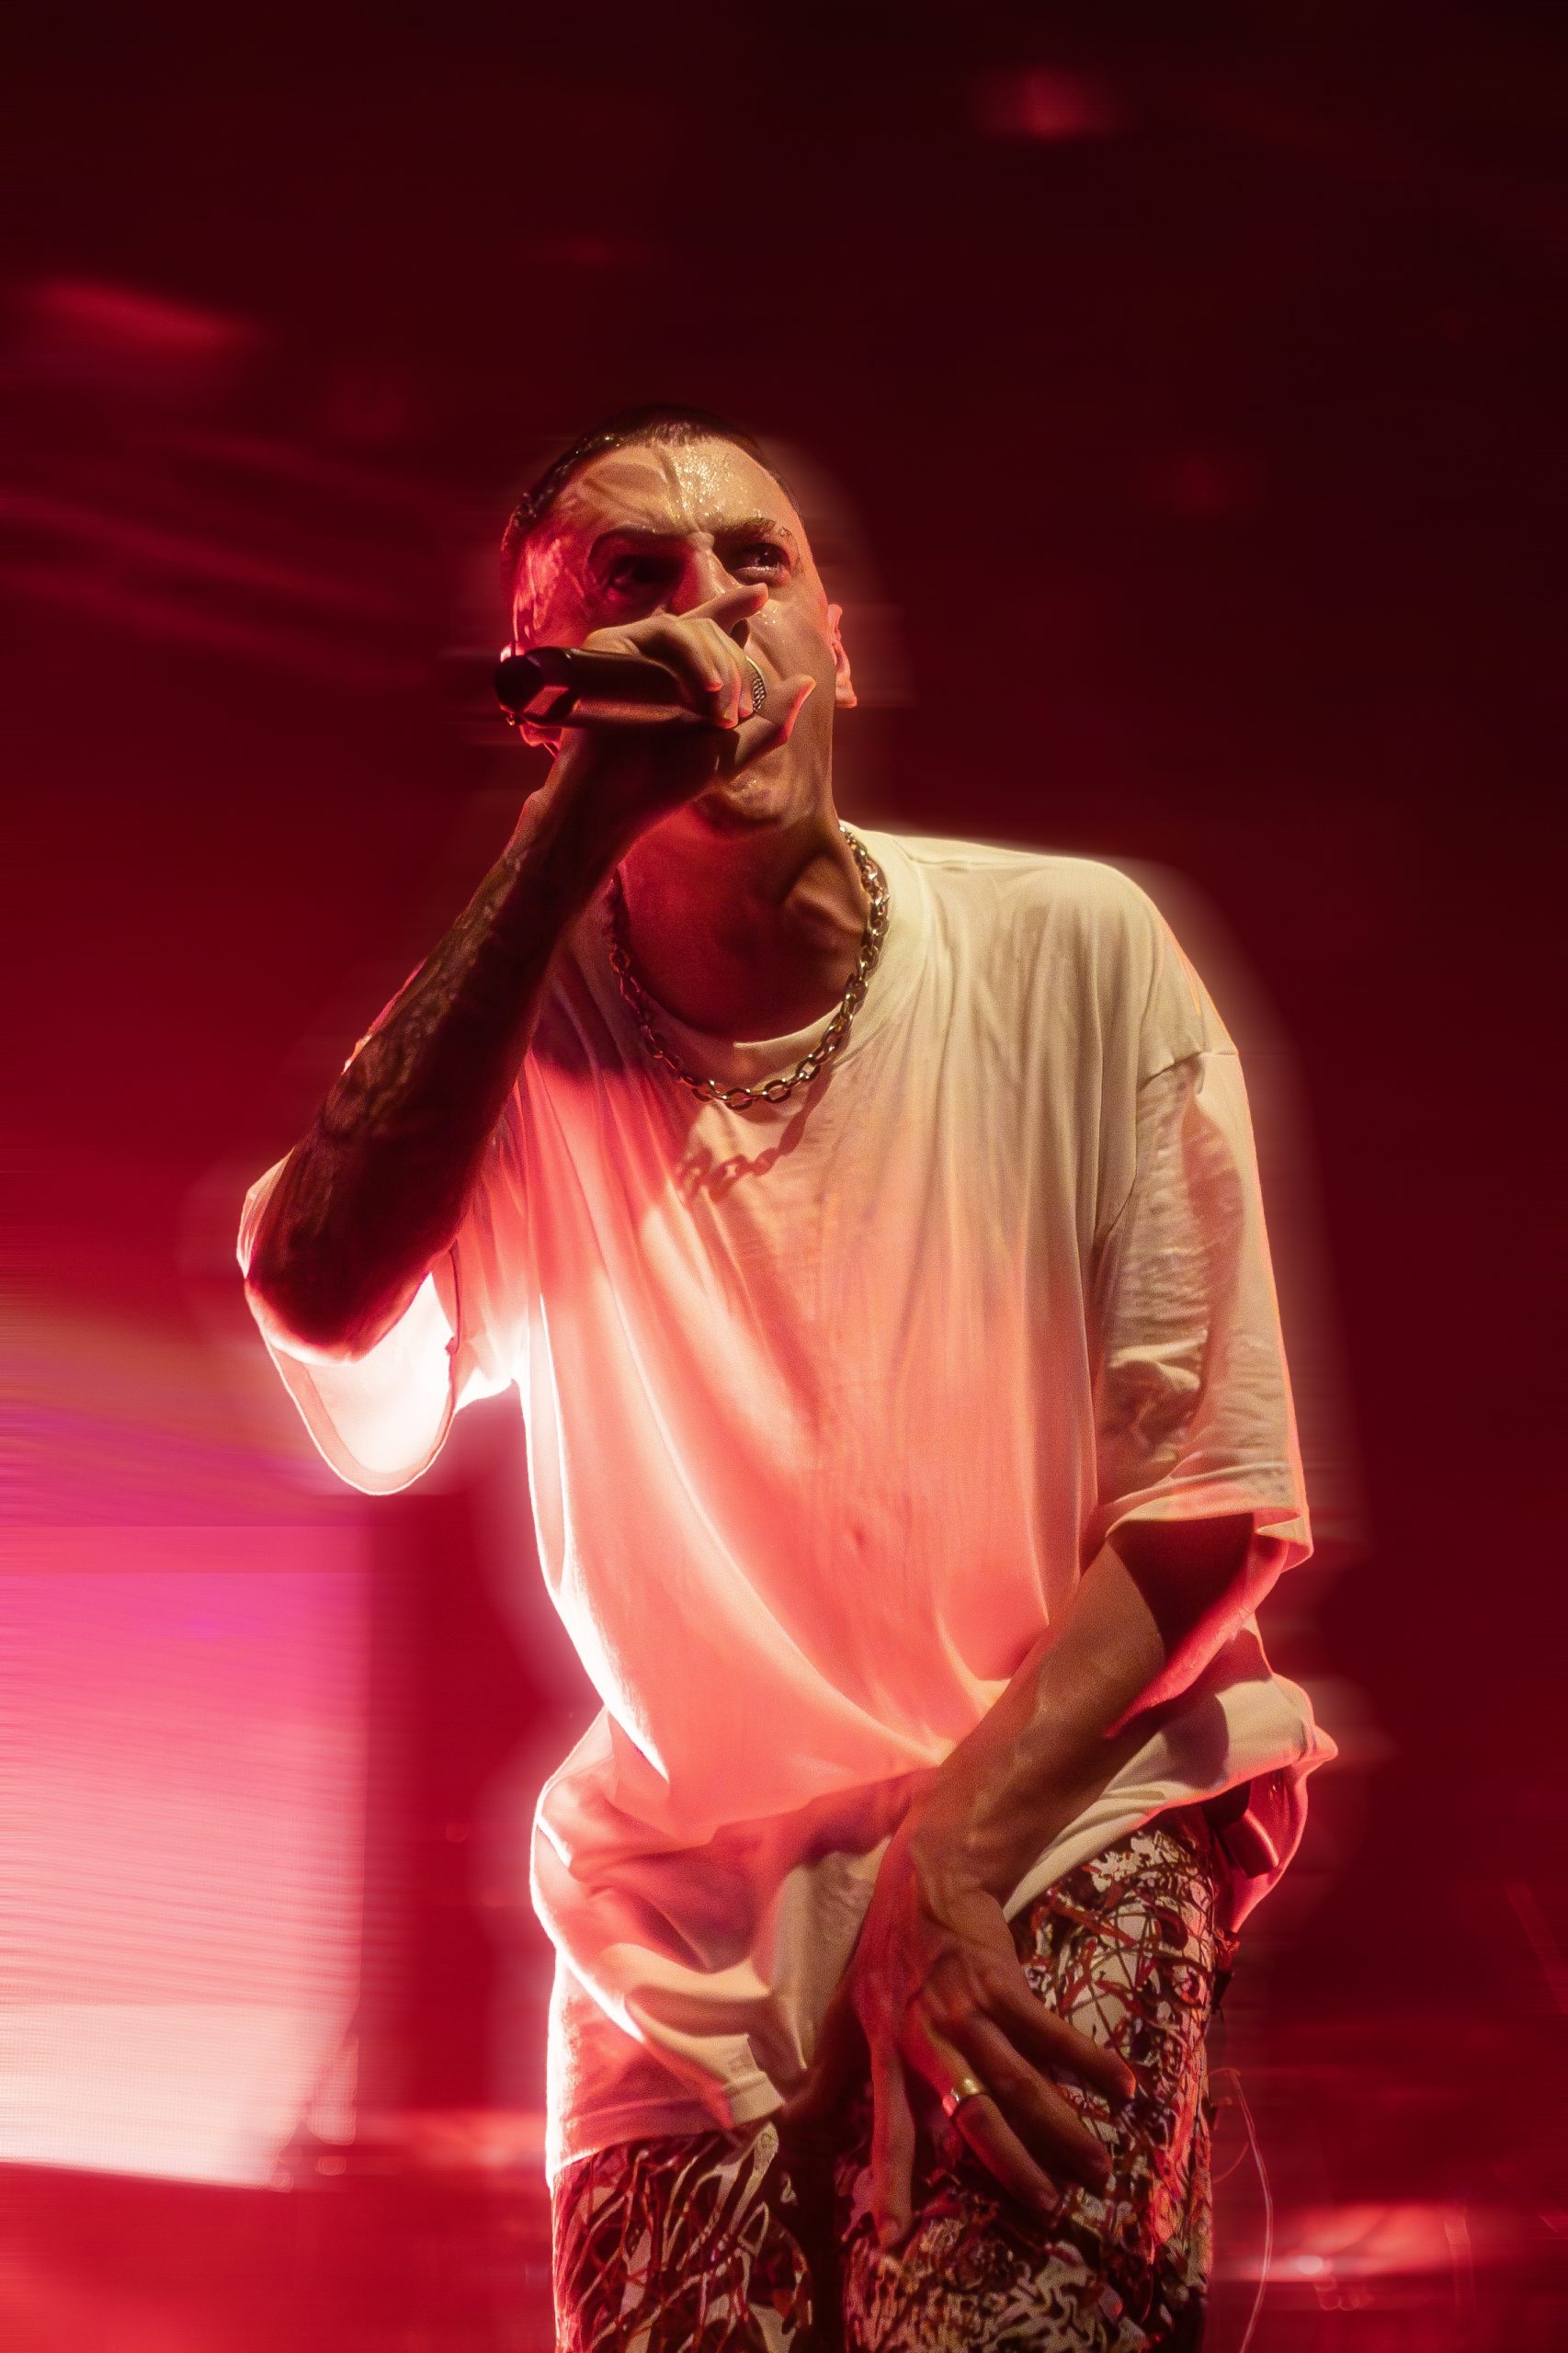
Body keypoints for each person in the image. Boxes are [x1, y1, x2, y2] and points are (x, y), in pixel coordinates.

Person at [239, 404, 1335, 2350]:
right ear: (545, 692)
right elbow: (323, 1291)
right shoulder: (514, 1035)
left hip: (1056, 1810)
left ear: (838, 643)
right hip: (676, 1925)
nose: (709, 610)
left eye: (756, 565)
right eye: (637, 582)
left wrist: (952, 1856)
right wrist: (574, 825)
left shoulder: (1076, 956)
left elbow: (1208, 1505)